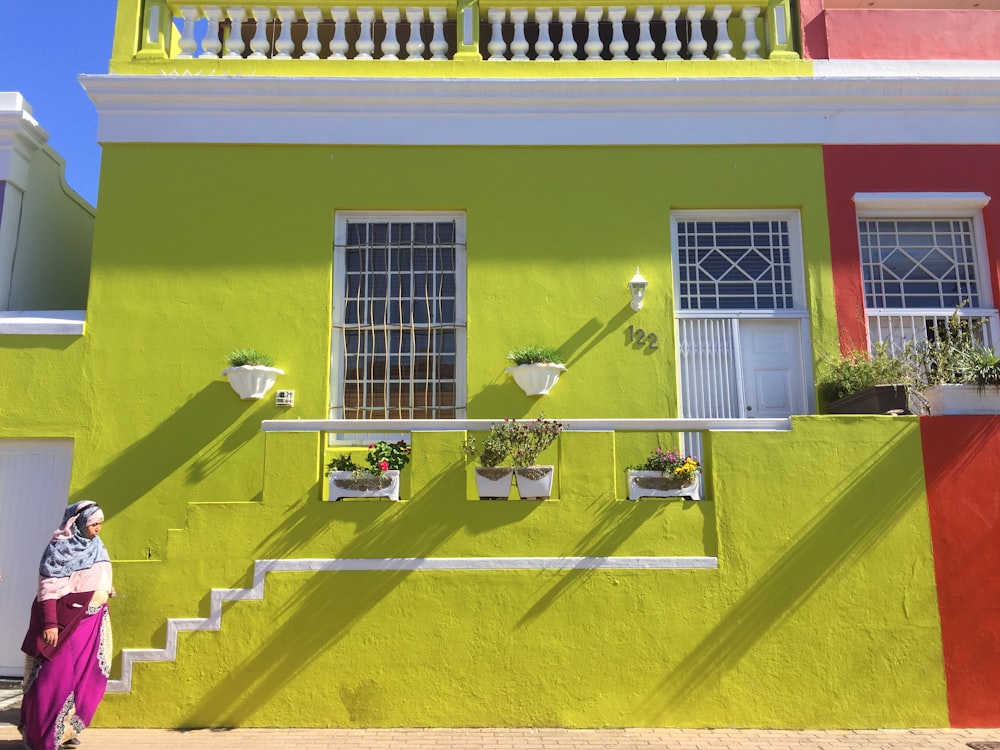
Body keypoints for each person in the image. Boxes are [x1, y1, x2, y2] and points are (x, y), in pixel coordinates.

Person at [19, 501, 114, 750]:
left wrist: (105, 589)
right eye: (94, 524)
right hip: (65, 625)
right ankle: (43, 736)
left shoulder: (96, 546)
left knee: (86, 680)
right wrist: (50, 624)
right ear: (79, 523)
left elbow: (99, 574)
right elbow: (48, 587)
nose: (98, 529)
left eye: (100, 524)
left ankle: (65, 730)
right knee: (54, 679)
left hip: (93, 624)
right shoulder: (60, 549)